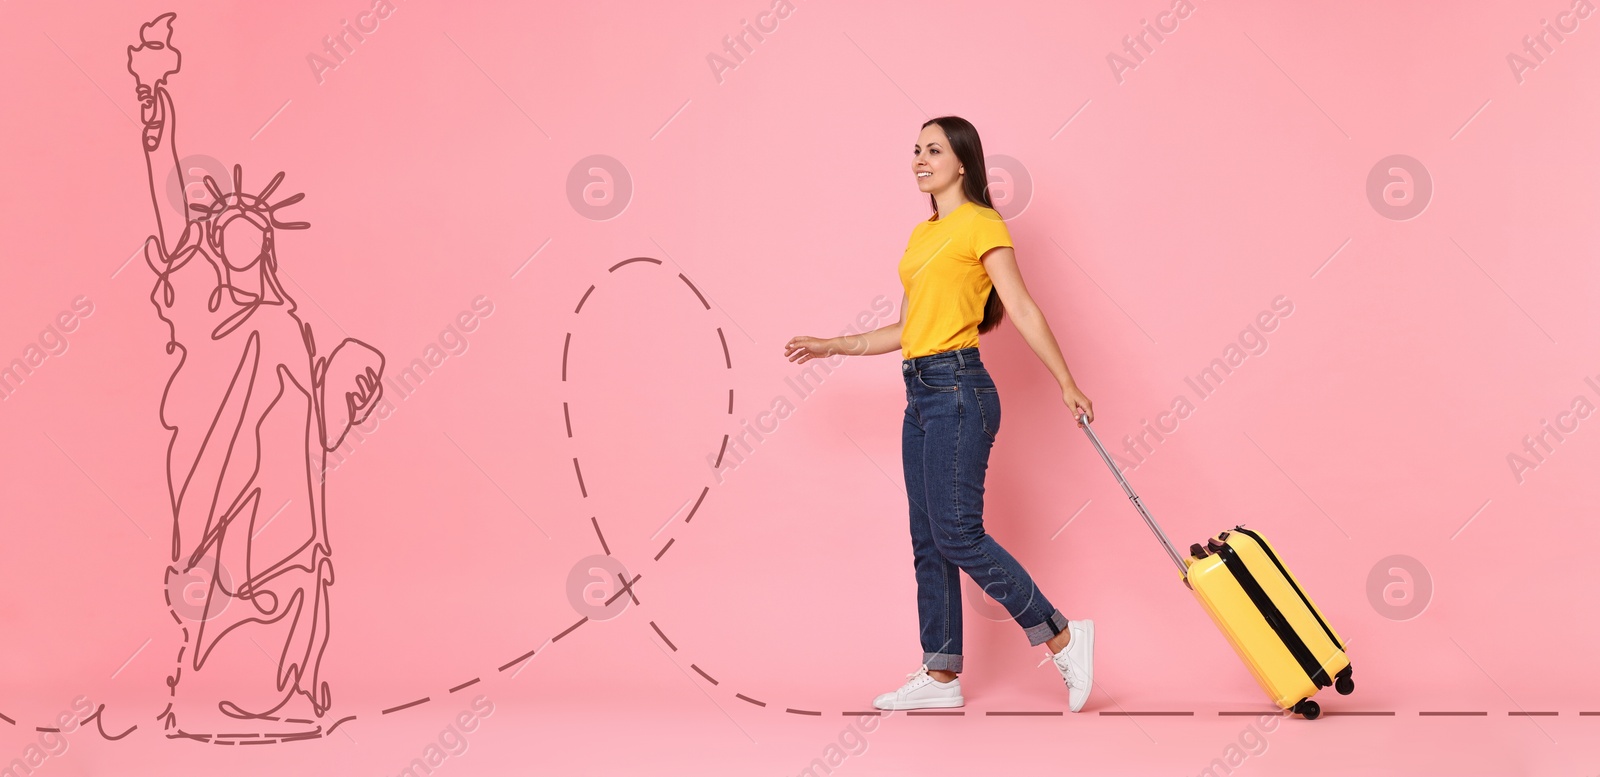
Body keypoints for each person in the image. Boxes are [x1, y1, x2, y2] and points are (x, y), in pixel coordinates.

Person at [784, 116, 1097, 712]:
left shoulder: (983, 224)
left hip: (960, 390)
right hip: (921, 393)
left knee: (958, 533)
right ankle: (941, 675)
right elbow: (907, 330)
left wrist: (1065, 382)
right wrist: (835, 344)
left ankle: (1060, 634)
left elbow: (1023, 307)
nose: (919, 160)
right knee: (929, 538)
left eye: (933, 150)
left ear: (962, 163)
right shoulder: (921, 235)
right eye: (916, 150)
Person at [128, 13, 384, 735]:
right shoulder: (200, 304)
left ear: (266, 243)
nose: (239, 223)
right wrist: (155, 97)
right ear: (214, 240)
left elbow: (315, 433)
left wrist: (347, 384)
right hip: (218, 480)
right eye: (226, 220)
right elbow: (167, 192)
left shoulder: (286, 324)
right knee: (223, 583)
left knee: (288, 575)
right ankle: (212, 690)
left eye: (253, 222)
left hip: (289, 507)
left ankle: (289, 692)